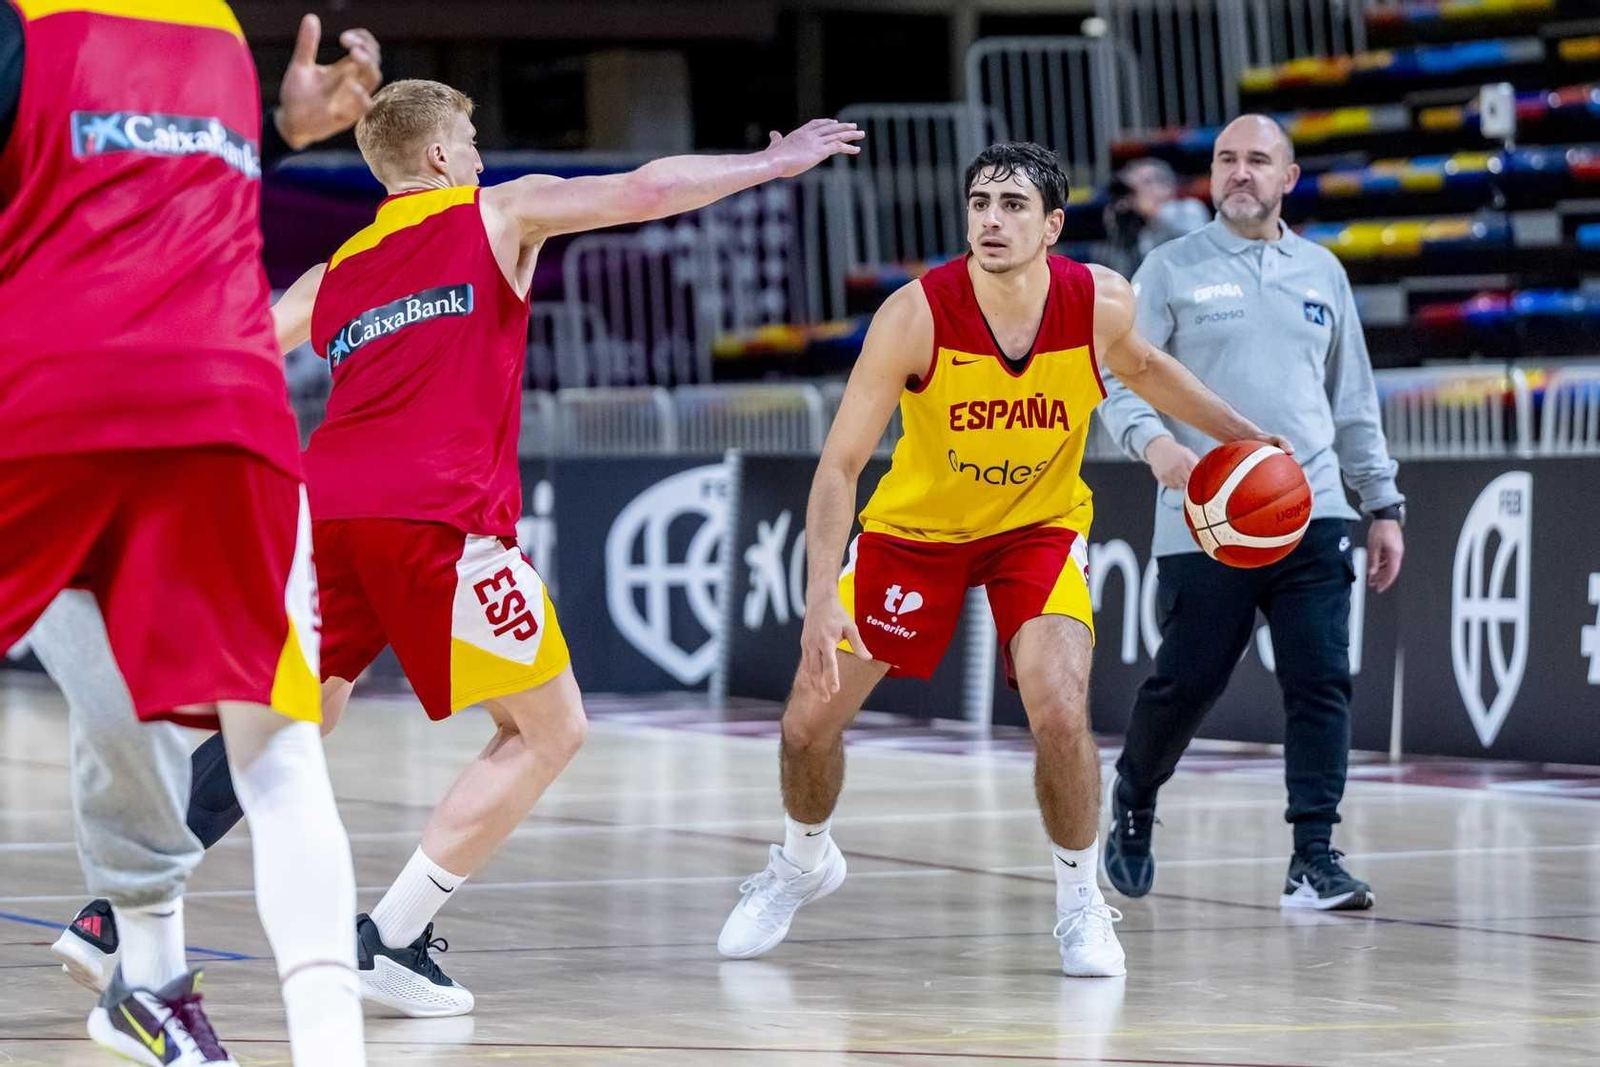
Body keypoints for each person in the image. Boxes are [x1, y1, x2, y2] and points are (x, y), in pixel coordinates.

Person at [55, 77, 865, 1018]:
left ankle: (116, 911)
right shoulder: (496, 214)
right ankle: (391, 937)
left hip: (324, 518)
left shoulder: (334, 273)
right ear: (441, 156)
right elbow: (645, 190)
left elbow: (219, 356)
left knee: (294, 721)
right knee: (550, 727)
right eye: (472, 138)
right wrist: (771, 161)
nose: (481, 154)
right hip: (436, 521)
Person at [715, 141, 1289, 977]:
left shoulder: (1098, 301)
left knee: (1059, 706)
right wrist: (817, 597)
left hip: (1038, 529)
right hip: (916, 536)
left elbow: (1150, 368)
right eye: (980, 201)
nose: (992, 218)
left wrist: (1243, 437)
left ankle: (1081, 901)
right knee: (808, 724)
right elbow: (839, 465)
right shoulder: (916, 315)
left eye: (1014, 205)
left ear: (1054, 224)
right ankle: (803, 860)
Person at [0, 3, 370, 1064]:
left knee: (136, 703)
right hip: (225, 400)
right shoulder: (213, 36)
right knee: (278, 752)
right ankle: (311, 1039)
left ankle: (149, 976)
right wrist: (282, 125)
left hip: (52, 391)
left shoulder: (32, 28)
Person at [1097, 114, 1405, 912]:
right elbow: (1120, 378)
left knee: (1320, 682)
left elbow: (1353, 400)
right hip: (1206, 521)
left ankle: (1313, 856)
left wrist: (1381, 503)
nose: (1240, 172)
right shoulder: (1168, 268)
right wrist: (1156, 448)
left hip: (1315, 512)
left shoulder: (1323, 273)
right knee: (1189, 681)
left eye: (1258, 160)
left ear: (1287, 178)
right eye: (1227, 159)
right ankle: (1133, 794)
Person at [1103, 157, 1210, 273]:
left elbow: (1194, 243)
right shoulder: (1143, 229)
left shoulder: (1190, 207)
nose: (1136, 192)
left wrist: (1151, 210)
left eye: (1145, 182)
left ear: (1166, 187)